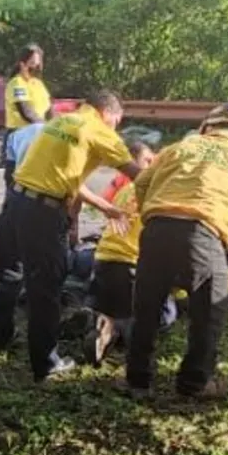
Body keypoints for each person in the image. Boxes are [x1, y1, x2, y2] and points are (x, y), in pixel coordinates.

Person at [123, 103, 228, 401]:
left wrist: (152, 216)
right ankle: (194, 384)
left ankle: (138, 382)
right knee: (209, 312)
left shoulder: (177, 148)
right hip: (203, 235)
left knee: (146, 309)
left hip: (157, 230)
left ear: (206, 126)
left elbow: (142, 182)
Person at [0, 90, 141, 382]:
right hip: (44, 214)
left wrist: (107, 207)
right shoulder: (99, 130)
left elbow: (69, 179)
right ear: (107, 113)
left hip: (16, 202)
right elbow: (139, 175)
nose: (116, 128)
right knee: (46, 288)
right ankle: (46, 363)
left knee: (9, 276)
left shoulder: (59, 122)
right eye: (117, 121)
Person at [82, 141, 177, 366]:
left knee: (113, 302)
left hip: (103, 260)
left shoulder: (125, 189)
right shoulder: (163, 194)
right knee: (166, 315)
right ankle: (124, 331)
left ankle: (105, 322)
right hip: (132, 266)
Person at [5, 44, 53, 132]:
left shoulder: (39, 84)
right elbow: (26, 112)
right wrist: (46, 127)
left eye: (37, 64)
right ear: (22, 63)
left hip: (39, 129)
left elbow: (49, 111)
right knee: (37, 129)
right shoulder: (17, 82)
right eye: (32, 63)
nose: (35, 67)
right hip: (19, 131)